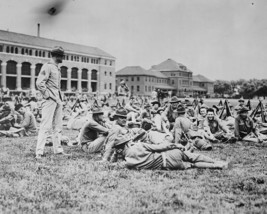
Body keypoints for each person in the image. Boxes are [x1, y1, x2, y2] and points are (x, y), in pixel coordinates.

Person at [109, 135, 228, 170]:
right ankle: (217, 162)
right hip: (169, 155)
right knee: (194, 157)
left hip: (168, 165)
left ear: (118, 150)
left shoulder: (128, 163)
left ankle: (216, 166)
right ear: (126, 144)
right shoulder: (139, 146)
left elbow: (113, 164)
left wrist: (115, 154)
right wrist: (175, 145)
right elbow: (160, 147)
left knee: (192, 165)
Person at [35, 46, 69, 159]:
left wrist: (57, 98)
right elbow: (39, 83)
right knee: (45, 126)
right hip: (50, 100)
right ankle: (39, 152)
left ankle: (58, 150)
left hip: (58, 99)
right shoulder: (48, 66)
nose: (63, 58)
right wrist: (48, 95)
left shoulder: (56, 68)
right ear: (57, 56)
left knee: (57, 126)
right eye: (61, 56)